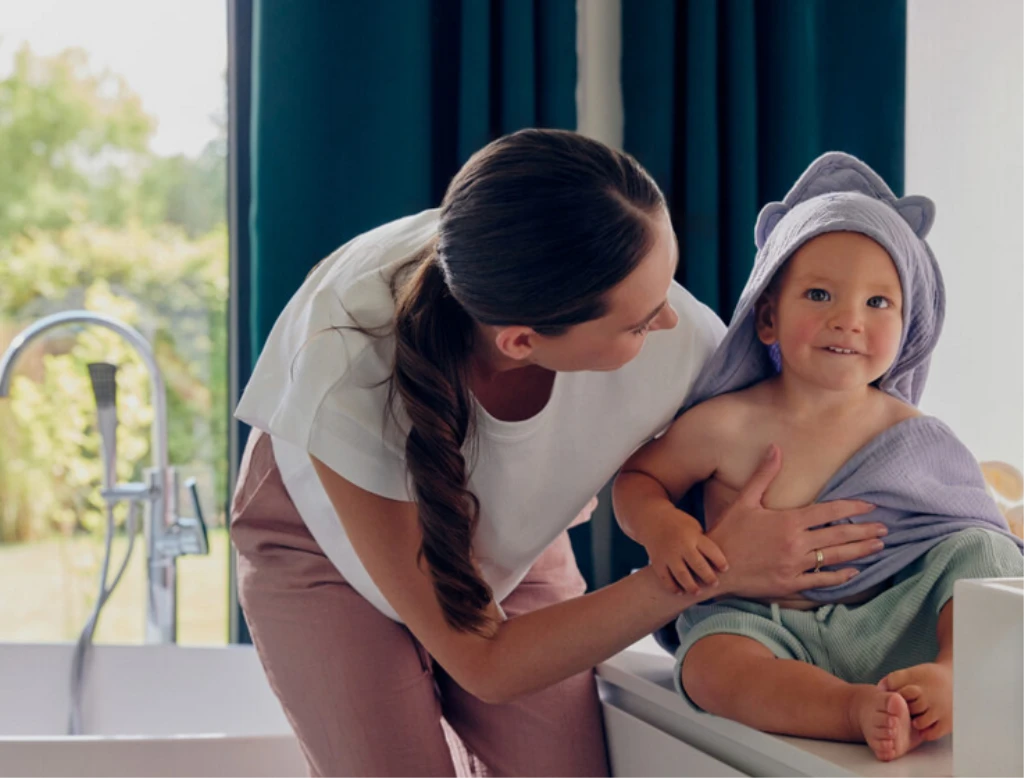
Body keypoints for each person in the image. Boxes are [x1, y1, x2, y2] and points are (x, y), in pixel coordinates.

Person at [230, 130, 887, 778]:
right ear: (521, 342)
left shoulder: (680, 336)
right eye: (637, 322)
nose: (669, 324)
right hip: (322, 540)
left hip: (515, 525)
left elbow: (813, 443)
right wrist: (710, 570)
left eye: (667, 287)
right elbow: (488, 664)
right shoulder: (348, 368)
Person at [613, 152, 1024, 762]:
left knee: (981, 551)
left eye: (878, 304)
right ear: (769, 318)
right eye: (819, 293)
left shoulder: (916, 433)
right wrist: (666, 527)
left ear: (910, 328)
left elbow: (967, 529)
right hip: (768, 628)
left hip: (893, 620)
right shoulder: (728, 423)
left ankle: (951, 674)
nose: (848, 320)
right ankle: (848, 709)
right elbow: (639, 477)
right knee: (708, 666)